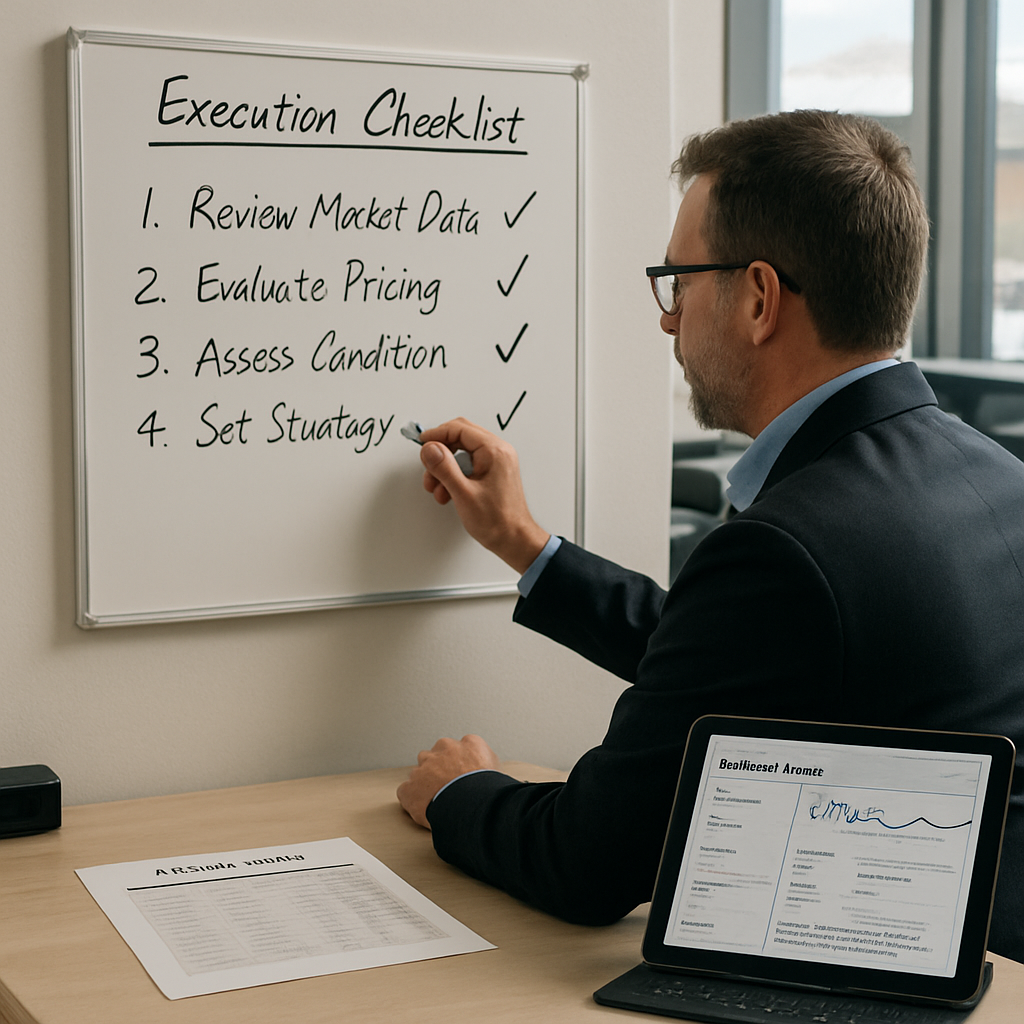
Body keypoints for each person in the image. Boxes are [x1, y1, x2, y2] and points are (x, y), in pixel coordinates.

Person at [396, 110, 1024, 963]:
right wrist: (526, 543)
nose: (667, 321)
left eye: (679, 282)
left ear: (759, 298)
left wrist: (460, 793)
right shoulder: (996, 478)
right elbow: (743, 652)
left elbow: (586, 862)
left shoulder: (789, 545)